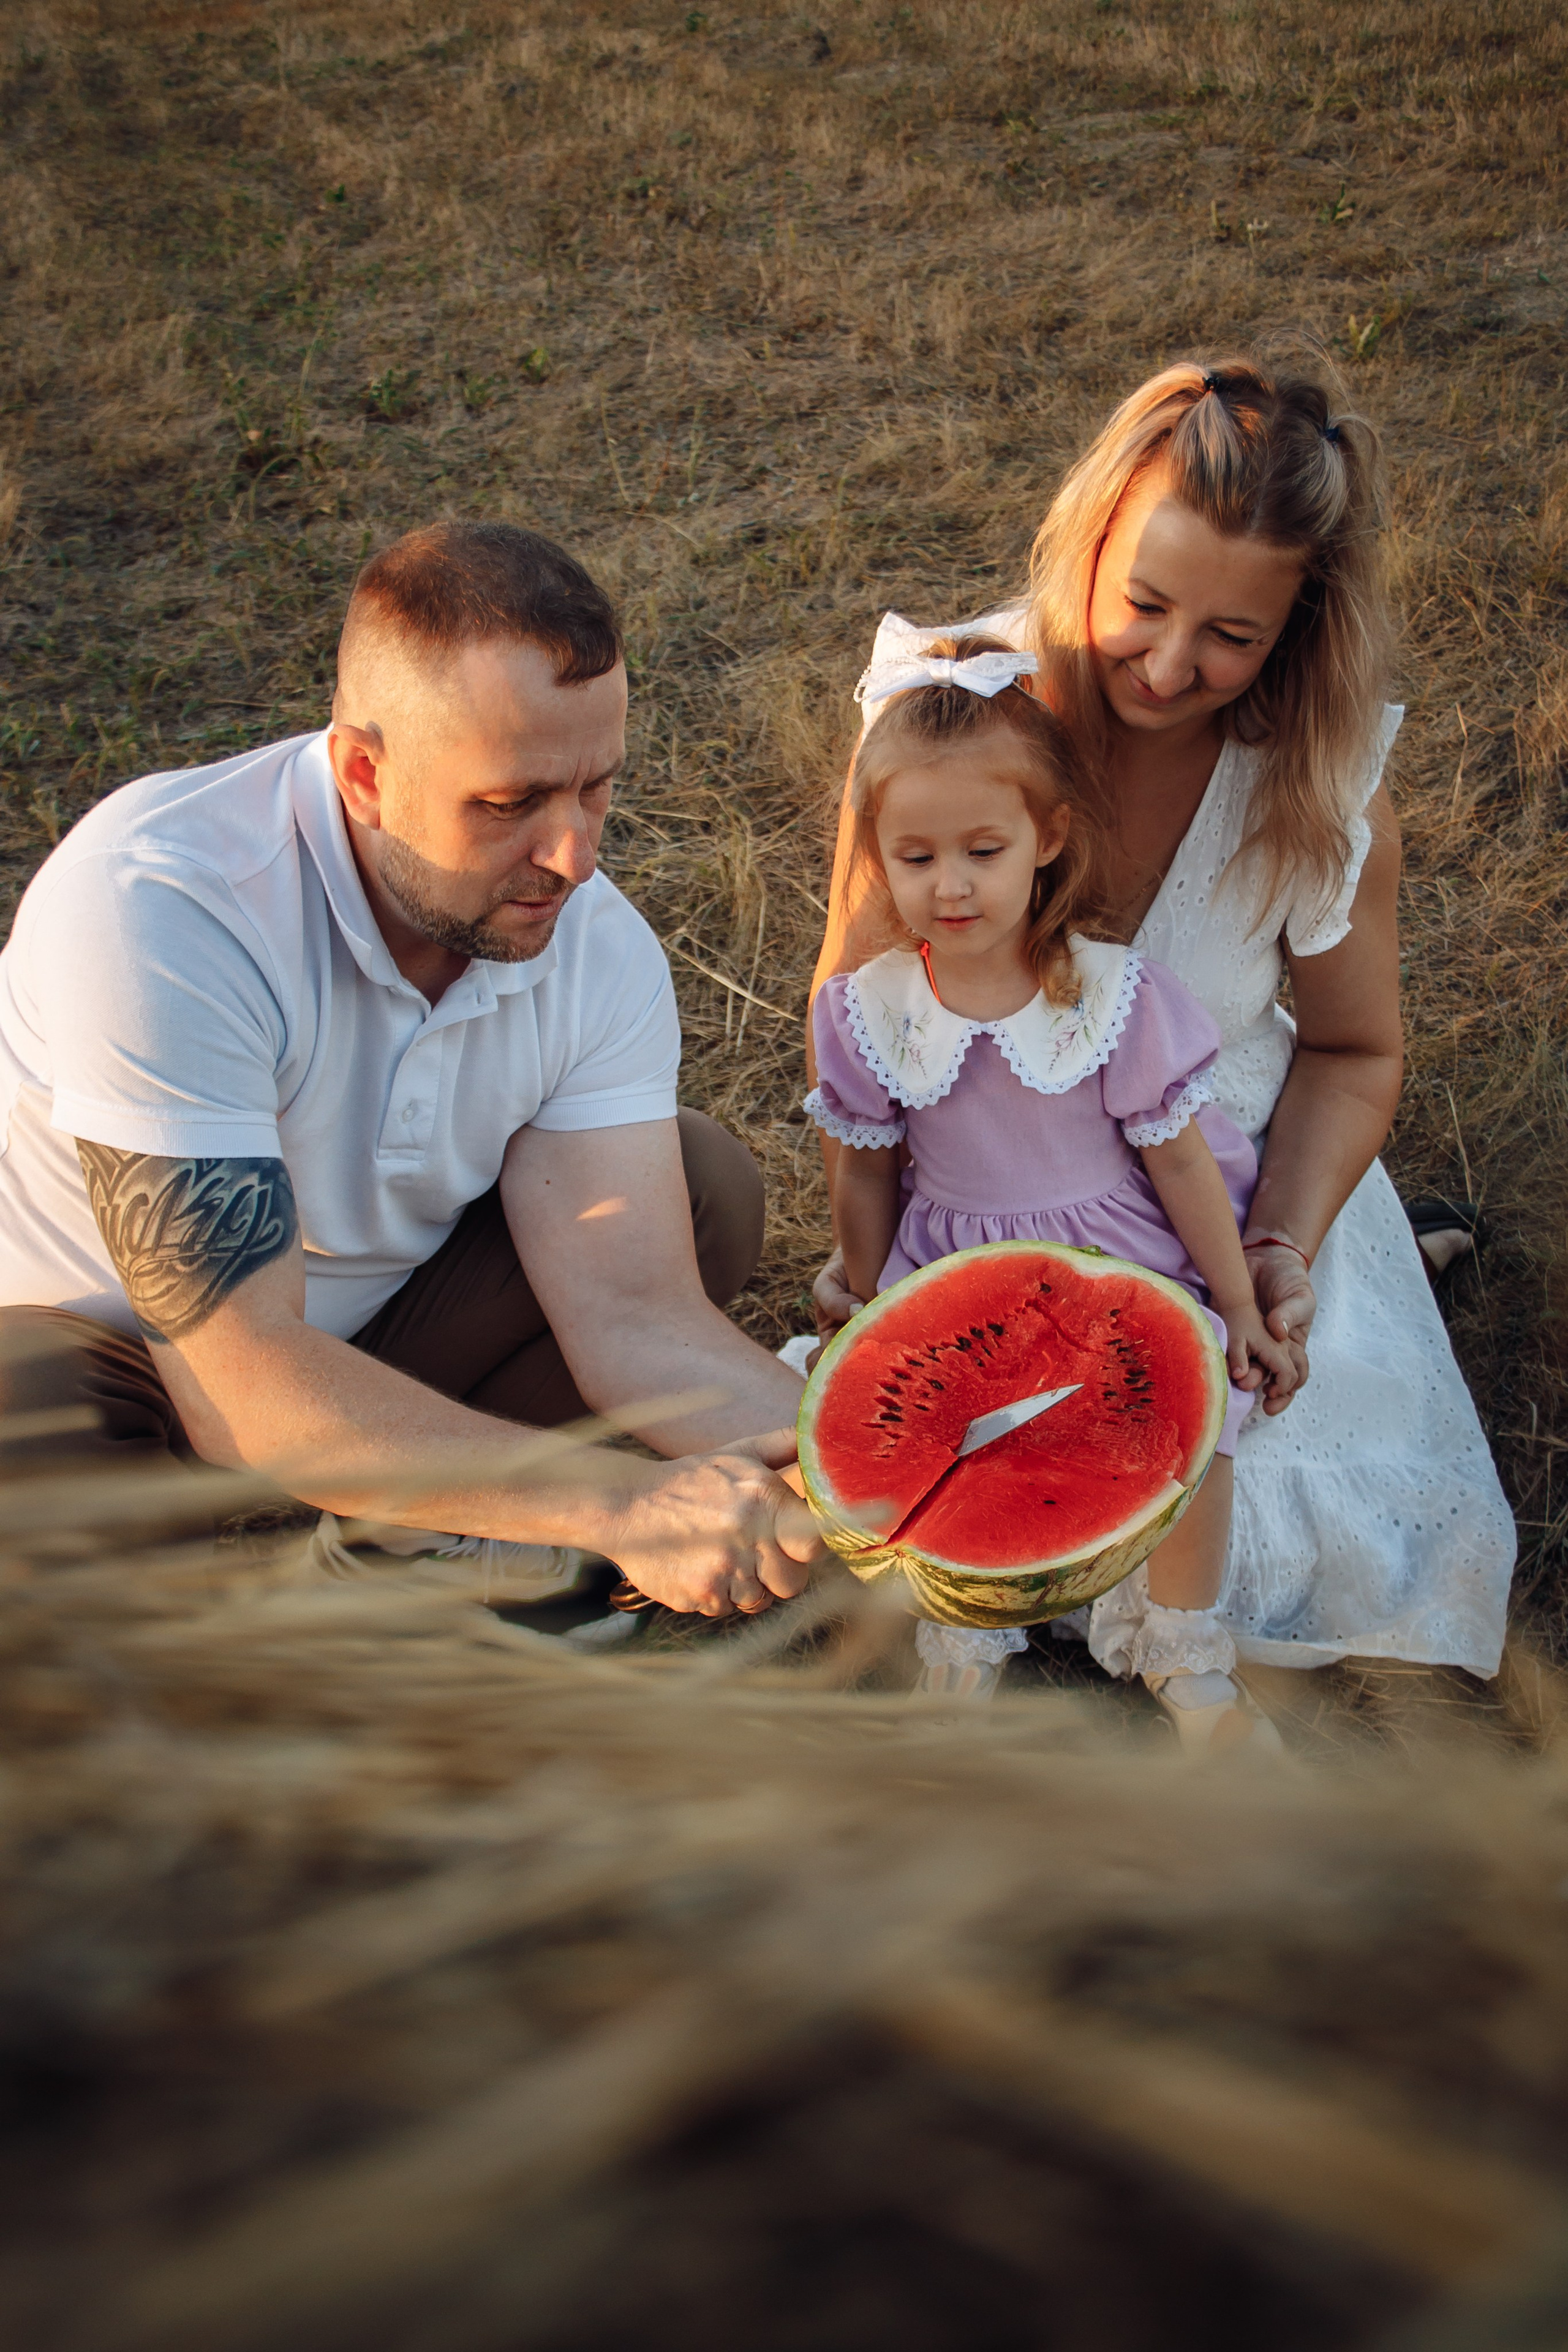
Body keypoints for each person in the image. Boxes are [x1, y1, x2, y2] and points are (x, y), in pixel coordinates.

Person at [807, 353, 1515, 1688]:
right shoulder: (948, 718)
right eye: (1142, 603)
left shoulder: (1317, 785)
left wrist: (1279, 1246)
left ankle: (1383, 1264)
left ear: (1295, 633)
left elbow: (1353, 1051)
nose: (1171, 664)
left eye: (1233, 636)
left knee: (1290, 1543)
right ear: (1086, 546)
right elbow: (859, 1011)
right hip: (984, 1193)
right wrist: (874, 1250)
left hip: (1224, 1190)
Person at [0, 522, 821, 1617]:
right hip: (116, 1368)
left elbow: (637, 1317)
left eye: (596, 788)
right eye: (511, 803)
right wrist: (621, 1506)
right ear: (364, 774)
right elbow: (239, 1384)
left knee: (702, 1185)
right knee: (27, 1419)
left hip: (372, 1334)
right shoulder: (161, 906)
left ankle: (408, 1539)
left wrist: (899, 1481)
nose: (574, 856)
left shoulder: (595, 941)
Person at [807, 633, 1295, 1746]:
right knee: (955, 1441)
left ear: (1049, 838)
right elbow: (868, 1167)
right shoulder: (868, 1010)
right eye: (916, 856)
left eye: (983, 850)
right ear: (879, 855)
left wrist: (1233, 1300)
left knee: (1192, 1435)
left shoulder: (1110, 995)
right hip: (955, 1266)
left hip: (1117, 1256)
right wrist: (873, 1301)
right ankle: (963, 1647)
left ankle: (1187, 1654)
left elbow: (1179, 1159)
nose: (951, 884)